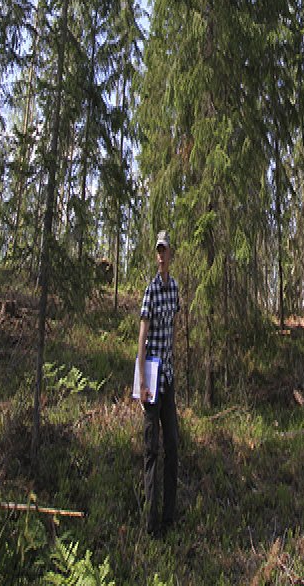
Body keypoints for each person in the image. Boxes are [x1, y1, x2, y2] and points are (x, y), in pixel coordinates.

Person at [137, 230, 181, 538]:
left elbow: (173, 328)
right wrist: (141, 381)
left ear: (170, 254)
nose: (161, 255)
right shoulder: (151, 291)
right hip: (151, 379)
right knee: (151, 450)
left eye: (165, 250)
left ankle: (169, 516)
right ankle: (151, 525)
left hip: (168, 379)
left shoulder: (174, 288)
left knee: (173, 446)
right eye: (158, 251)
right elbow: (142, 337)